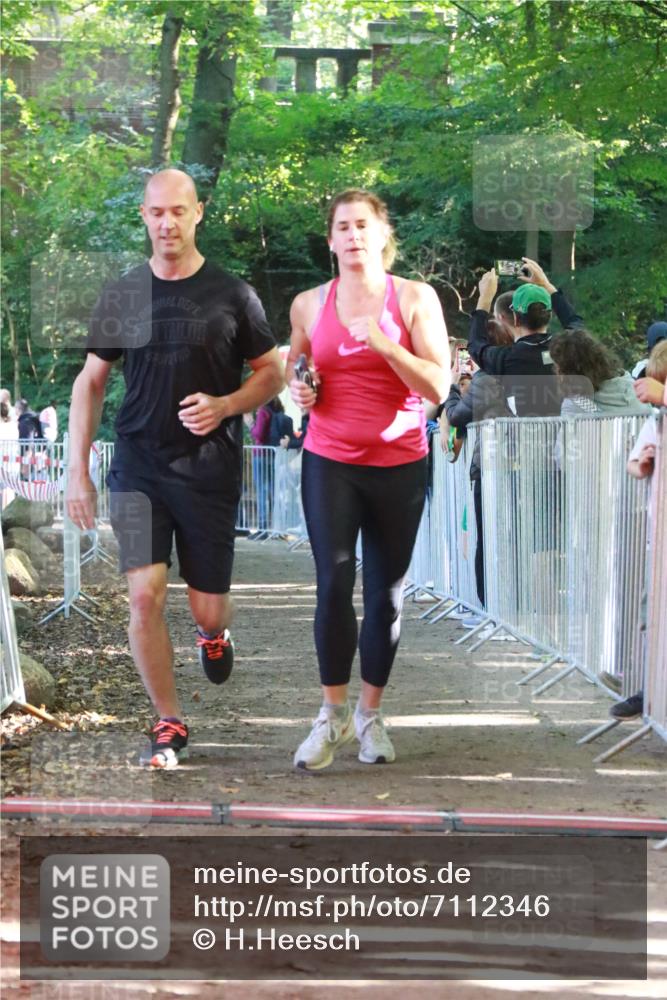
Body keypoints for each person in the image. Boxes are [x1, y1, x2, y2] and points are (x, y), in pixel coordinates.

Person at [65, 168, 283, 768]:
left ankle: (213, 634)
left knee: (206, 604)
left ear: (198, 213)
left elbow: (271, 372)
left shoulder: (234, 295)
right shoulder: (123, 294)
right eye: (157, 212)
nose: (167, 222)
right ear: (144, 216)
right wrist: (75, 472)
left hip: (209, 468)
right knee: (144, 597)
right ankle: (168, 720)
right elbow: (91, 382)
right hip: (138, 466)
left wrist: (227, 405)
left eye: (178, 211)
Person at [287, 188, 450, 771]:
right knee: (332, 583)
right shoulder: (309, 303)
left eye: (364, 225)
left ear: (383, 235)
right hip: (329, 457)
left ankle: (370, 716)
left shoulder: (414, 298)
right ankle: (330, 715)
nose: (354, 235)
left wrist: (382, 343)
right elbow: (297, 366)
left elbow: (439, 385)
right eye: (343, 227)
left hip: (400, 460)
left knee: (385, 593)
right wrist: (303, 385)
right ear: (330, 240)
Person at [610, 340, 667, 720]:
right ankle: (651, 690)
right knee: (651, 614)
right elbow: (633, 461)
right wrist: (641, 463)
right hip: (657, 536)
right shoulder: (656, 418)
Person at [468, 257, 583, 417]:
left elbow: (476, 345)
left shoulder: (507, 358)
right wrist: (547, 286)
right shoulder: (567, 349)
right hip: (567, 438)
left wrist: (485, 299)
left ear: (515, 318)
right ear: (549, 315)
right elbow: (575, 323)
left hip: (526, 439)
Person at [549, 329, 652, 416]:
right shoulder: (633, 387)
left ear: (568, 372)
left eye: (558, 367)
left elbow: (565, 439)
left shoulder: (575, 406)